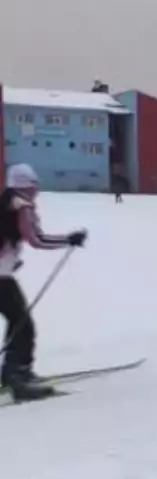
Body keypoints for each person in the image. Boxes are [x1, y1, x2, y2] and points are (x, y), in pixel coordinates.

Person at [0, 164, 87, 400]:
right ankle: (18, 378)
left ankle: (12, 373)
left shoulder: (5, 203)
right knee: (23, 326)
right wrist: (69, 240)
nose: (36, 191)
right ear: (26, 186)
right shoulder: (21, 207)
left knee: (17, 322)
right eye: (33, 186)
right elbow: (37, 239)